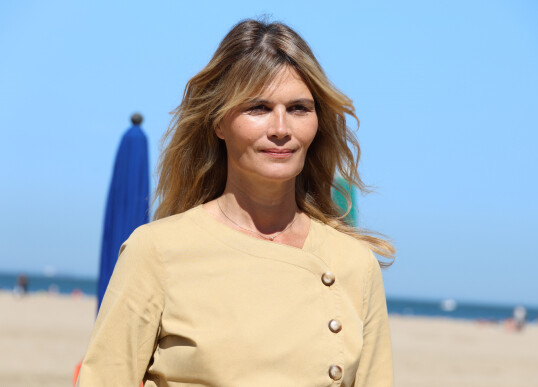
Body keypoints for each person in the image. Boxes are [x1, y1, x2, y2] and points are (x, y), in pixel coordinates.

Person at [77, 19, 395, 386]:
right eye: (258, 107)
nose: (280, 128)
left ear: (318, 124)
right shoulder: (155, 252)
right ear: (218, 122)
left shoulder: (354, 264)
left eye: (298, 108)